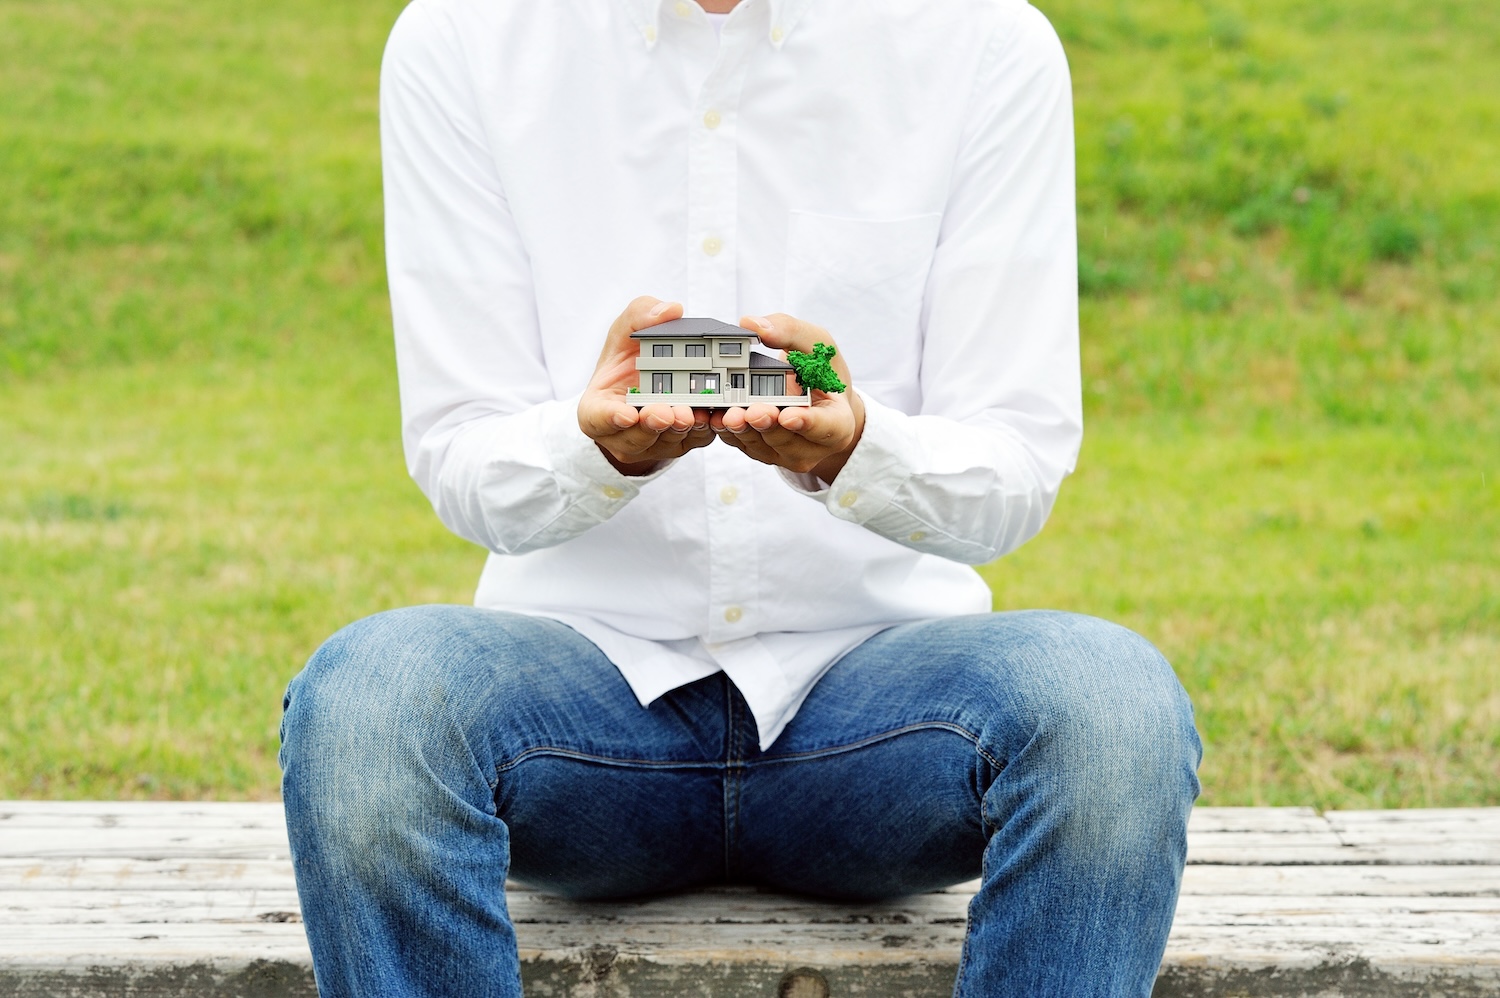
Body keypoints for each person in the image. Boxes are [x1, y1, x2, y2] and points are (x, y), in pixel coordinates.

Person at [278, 0, 1202, 993]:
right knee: (370, 699)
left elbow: (1012, 467)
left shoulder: (981, 39)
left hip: (885, 714)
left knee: (1113, 704)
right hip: (577, 711)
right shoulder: (462, 36)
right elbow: (463, 454)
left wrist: (857, 448)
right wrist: (595, 448)